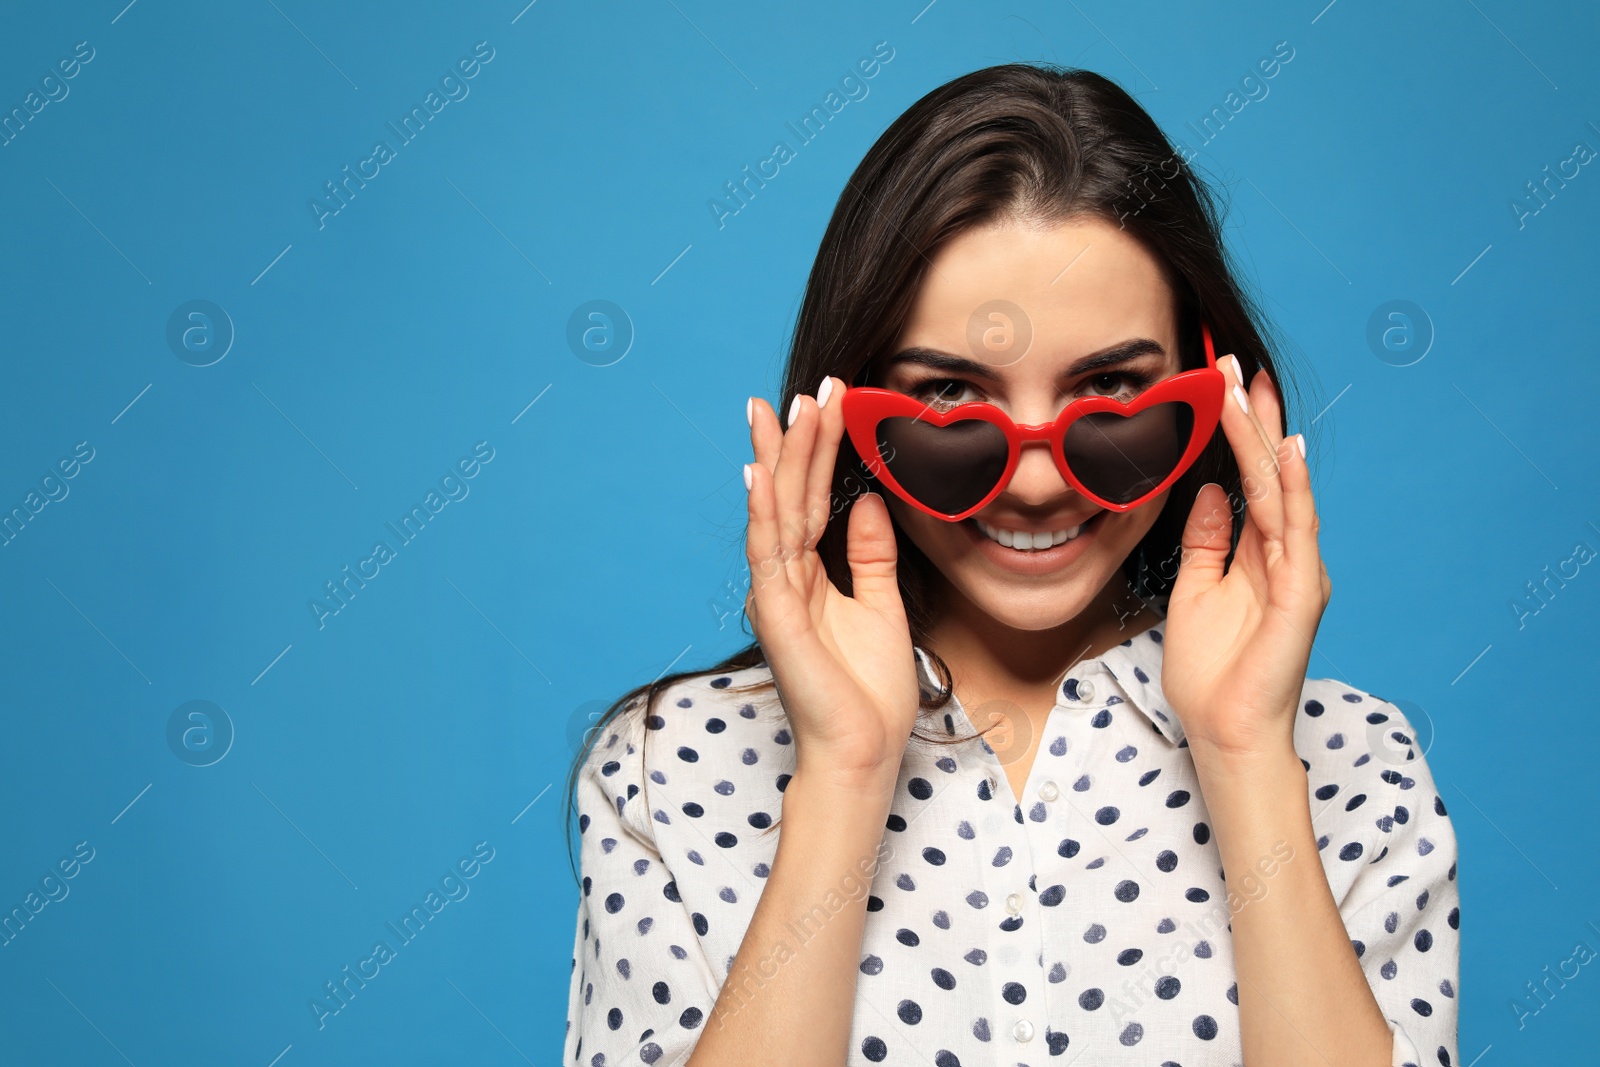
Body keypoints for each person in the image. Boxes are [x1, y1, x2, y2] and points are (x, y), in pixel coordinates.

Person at [562, 63, 1459, 1067]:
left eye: (1112, 387)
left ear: (1216, 397)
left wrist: (1246, 753)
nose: (1034, 482)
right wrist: (844, 775)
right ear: (847, 415)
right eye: (950, 399)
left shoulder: (1356, 762)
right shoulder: (666, 764)